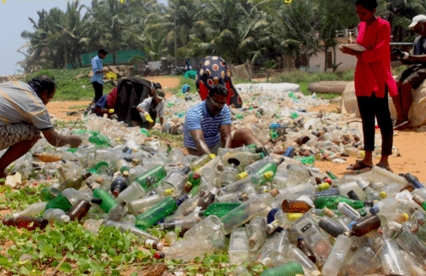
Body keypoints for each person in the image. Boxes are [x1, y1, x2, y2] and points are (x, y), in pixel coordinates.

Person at [340, 0, 397, 172]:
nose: (361, 16)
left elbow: (379, 51)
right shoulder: (362, 26)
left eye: (363, 13)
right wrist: (354, 50)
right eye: (358, 13)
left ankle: (385, 160)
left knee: (384, 119)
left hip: (378, 76)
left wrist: (356, 52)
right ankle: (367, 159)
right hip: (363, 76)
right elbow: (363, 48)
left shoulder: (383, 26)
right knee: (366, 119)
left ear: (373, 10)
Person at [0, 75, 82, 178]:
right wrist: (72, 139)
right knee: (33, 132)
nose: (48, 102)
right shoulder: (36, 104)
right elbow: (54, 139)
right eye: (50, 98)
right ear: (44, 94)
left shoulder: (14, 84)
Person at [183, 84, 262, 157]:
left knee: (245, 132)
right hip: (198, 151)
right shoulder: (194, 113)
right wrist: (214, 160)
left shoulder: (224, 109)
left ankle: (265, 157)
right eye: (216, 102)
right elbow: (199, 141)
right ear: (207, 98)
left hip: (216, 146)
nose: (219, 106)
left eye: (222, 103)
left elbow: (226, 137)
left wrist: (224, 155)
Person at [391, 15, 426, 129]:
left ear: (425, 24)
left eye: (417, 28)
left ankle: (405, 118)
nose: (416, 31)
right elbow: (413, 60)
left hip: (425, 67)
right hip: (416, 66)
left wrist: (409, 56)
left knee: (406, 85)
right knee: (395, 84)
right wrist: (403, 57)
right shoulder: (417, 40)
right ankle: (400, 117)